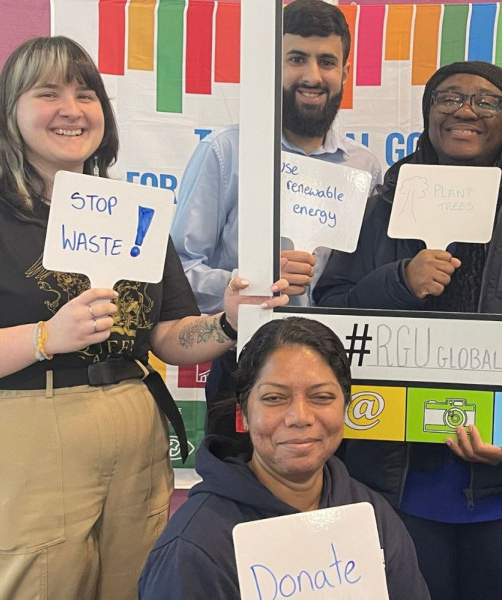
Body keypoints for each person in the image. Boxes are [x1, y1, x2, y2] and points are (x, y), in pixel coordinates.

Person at [0, 36, 287, 600]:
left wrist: (228, 323)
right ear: (11, 111)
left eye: (86, 94)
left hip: (133, 421)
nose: (72, 109)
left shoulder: (132, 213)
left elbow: (167, 335)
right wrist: (45, 337)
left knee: (139, 584)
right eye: (49, 93)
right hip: (25, 425)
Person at [313, 61, 502, 600]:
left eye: (486, 102)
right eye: (449, 98)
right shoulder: (383, 204)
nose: (464, 111)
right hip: (398, 472)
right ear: (428, 114)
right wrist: (399, 282)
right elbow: (331, 313)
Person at [170, 0, 382, 434]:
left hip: (342, 379)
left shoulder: (366, 169)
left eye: (327, 61)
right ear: (272, 65)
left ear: (345, 72)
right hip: (244, 368)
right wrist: (254, 281)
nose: (312, 76)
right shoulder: (225, 154)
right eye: (296, 59)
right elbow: (178, 274)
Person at [138, 317, 430, 600]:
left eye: (322, 397)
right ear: (244, 414)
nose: (299, 417)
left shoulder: (374, 516)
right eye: (275, 398)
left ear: (346, 407)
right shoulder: (194, 547)